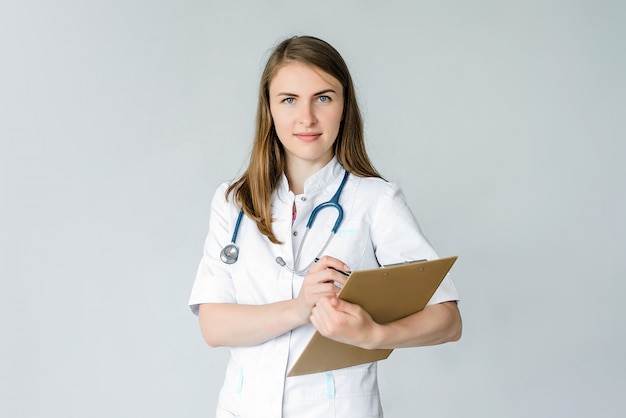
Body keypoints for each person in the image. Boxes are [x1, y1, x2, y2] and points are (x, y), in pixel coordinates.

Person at [189, 35, 462, 418]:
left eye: (323, 97)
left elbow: (447, 321)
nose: (307, 118)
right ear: (269, 108)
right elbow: (214, 327)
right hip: (242, 408)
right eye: (289, 100)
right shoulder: (234, 202)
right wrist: (301, 306)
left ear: (344, 107)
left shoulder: (375, 201)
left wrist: (374, 335)